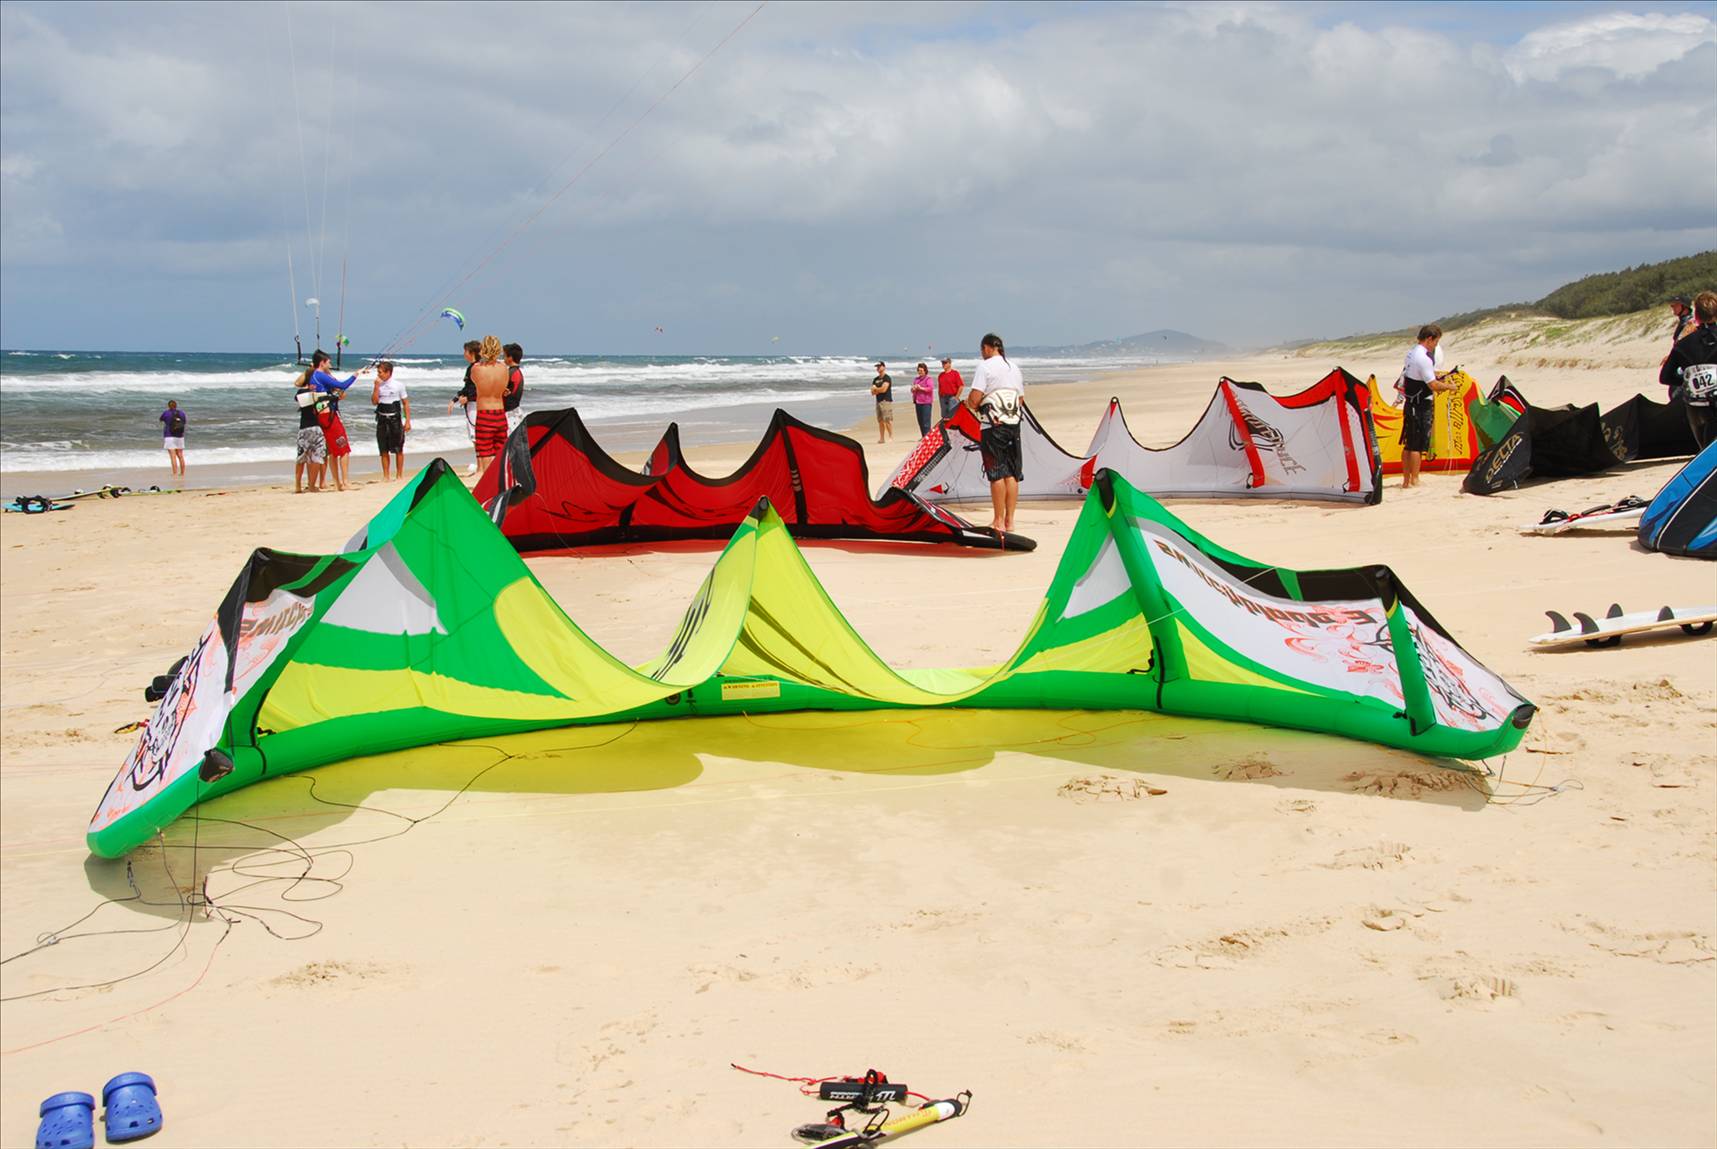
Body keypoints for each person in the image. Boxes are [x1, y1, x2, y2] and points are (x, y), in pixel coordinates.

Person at [967, 332, 1025, 533]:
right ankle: (1010, 521)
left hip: (993, 426)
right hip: (1013, 425)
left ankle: (998, 520)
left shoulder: (985, 367)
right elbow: (1020, 400)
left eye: (982, 350)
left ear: (987, 348)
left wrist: (971, 404)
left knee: (996, 473)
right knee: (1012, 474)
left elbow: (974, 399)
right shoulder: (1014, 367)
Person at [1398, 324, 1458, 488]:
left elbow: (1418, 379)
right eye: (1436, 342)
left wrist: (1439, 381)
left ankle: (1405, 480)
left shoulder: (1411, 353)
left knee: (1408, 442)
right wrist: (1449, 387)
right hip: (1420, 405)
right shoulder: (1423, 357)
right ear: (1429, 339)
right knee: (1416, 445)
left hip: (1410, 402)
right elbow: (1432, 385)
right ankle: (1414, 479)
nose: (1436, 346)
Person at [1660, 291, 1717, 449]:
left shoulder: (1683, 344)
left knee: (1705, 448)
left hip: (1697, 406)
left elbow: (1665, 377)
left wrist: (1688, 380)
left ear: (1696, 315)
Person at [308, 349, 366, 491]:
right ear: (322, 363)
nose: (330, 364)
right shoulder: (320, 375)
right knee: (344, 448)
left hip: (322, 415)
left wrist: (336, 394)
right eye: (328, 362)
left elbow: (332, 391)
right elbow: (342, 385)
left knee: (334, 451)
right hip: (329, 416)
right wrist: (356, 374)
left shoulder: (313, 376)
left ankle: (337, 483)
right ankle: (344, 482)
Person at [469, 334, 511, 474]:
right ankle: (500, 485)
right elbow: (502, 386)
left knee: (485, 453)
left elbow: (475, 381)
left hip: (485, 414)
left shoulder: (476, 368)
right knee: (501, 454)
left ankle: (488, 488)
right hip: (500, 413)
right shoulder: (504, 368)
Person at [371, 360, 411, 480]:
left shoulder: (398, 385)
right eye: (378, 372)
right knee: (383, 448)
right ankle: (386, 476)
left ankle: (399, 475)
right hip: (382, 419)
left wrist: (407, 421)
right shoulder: (378, 385)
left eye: (381, 372)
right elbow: (374, 402)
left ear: (388, 372)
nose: (379, 375)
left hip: (395, 419)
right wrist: (376, 387)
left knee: (398, 448)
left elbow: (405, 403)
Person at [448, 339, 481, 472]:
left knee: (476, 436)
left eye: (465, 351)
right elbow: (467, 387)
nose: (464, 354)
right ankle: (480, 466)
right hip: (471, 405)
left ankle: (481, 468)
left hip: (475, 406)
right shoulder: (471, 367)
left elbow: (480, 388)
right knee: (474, 437)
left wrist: (468, 398)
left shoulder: (477, 368)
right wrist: (455, 399)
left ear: (471, 352)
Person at [293, 367, 327, 493]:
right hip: (316, 428)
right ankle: (311, 485)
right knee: (316, 457)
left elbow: (297, 386)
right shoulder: (318, 391)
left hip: (304, 428)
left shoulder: (301, 392)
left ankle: (299, 485)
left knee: (302, 457)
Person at [159, 399, 186, 478]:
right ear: (176, 405)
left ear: (168, 406)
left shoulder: (166, 413)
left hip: (169, 435)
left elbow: (161, 419)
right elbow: (184, 422)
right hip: (180, 436)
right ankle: (182, 473)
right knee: (180, 455)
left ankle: (175, 473)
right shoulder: (181, 413)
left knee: (173, 456)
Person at [503, 342, 526, 435]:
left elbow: (507, 393)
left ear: (510, 358)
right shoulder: (517, 372)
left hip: (510, 414)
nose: (503, 359)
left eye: (504, 356)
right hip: (515, 411)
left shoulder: (510, 373)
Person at [870, 361, 894, 443]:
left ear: (884, 367)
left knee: (887, 419)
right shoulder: (875, 379)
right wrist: (876, 390)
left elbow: (884, 389)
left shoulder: (887, 378)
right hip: (878, 401)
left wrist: (876, 389)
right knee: (880, 421)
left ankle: (891, 437)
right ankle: (882, 438)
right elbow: (872, 392)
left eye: (879, 366)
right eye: (877, 367)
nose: (878, 368)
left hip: (886, 400)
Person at [910, 362, 935, 436]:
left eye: (921, 371)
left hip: (926, 402)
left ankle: (927, 437)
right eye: (918, 370)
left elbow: (930, 389)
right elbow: (913, 390)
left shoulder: (928, 379)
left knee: (926, 422)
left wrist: (921, 388)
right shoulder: (916, 379)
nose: (920, 372)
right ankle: (923, 436)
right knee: (920, 421)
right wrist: (913, 389)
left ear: (925, 371)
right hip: (918, 402)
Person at [936, 355, 963, 421]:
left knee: (953, 417)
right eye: (942, 363)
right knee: (944, 417)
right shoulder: (940, 375)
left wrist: (956, 397)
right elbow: (940, 388)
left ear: (949, 363)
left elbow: (961, 386)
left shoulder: (955, 373)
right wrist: (940, 398)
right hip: (943, 398)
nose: (943, 364)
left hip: (952, 398)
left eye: (945, 363)